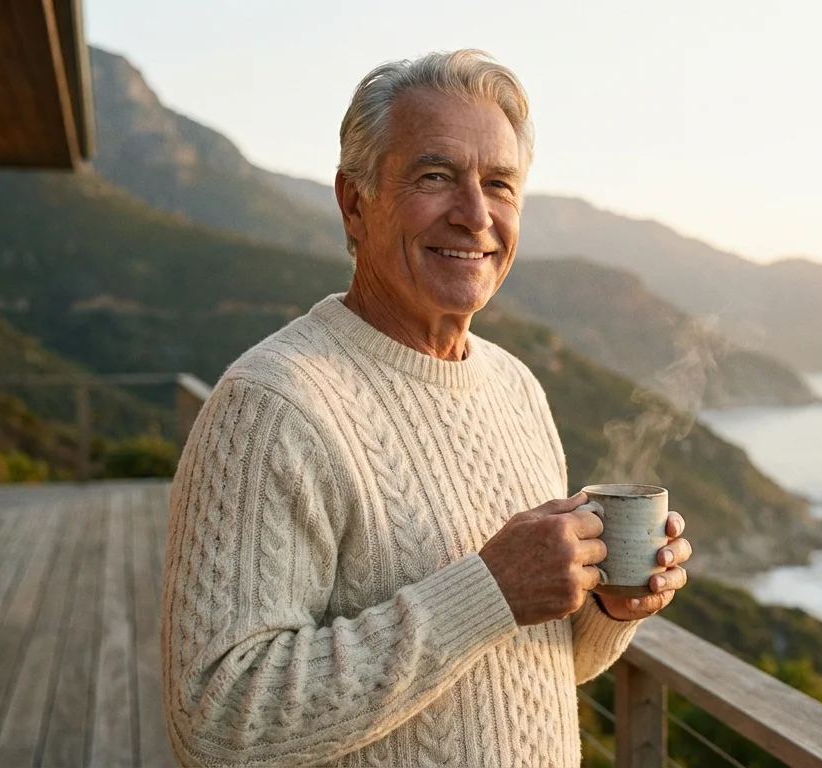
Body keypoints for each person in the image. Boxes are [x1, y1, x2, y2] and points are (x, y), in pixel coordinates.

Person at [160, 49, 693, 767]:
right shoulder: (270, 406)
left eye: (500, 184)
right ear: (356, 202)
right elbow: (216, 720)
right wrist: (491, 588)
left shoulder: (516, 388)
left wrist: (607, 610)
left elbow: (524, 669)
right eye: (435, 177)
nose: (475, 215)